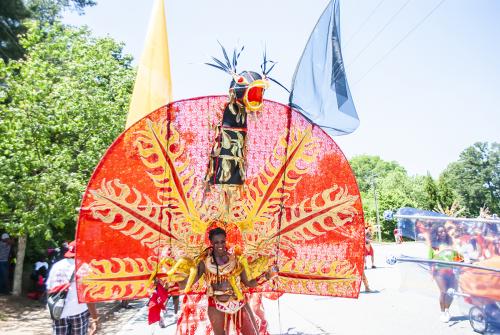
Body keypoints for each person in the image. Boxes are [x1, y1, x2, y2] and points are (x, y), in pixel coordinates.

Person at [179, 227, 277, 335]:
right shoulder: (204, 263)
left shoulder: (236, 260)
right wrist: (170, 283)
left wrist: (267, 276)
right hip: (216, 305)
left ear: (225, 240)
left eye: (222, 241)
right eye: (216, 242)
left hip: (238, 302)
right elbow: (187, 283)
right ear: (211, 242)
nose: (220, 245)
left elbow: (249, 283)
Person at [46, 241, 99, 335]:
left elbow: (49, 290)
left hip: (59, 312)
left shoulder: (56, 266)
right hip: (78, 313)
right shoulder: (84, 268)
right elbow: (88, 297)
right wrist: (95, 318)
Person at [428, 224, 463, 323]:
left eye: (444, 231)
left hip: (451, 272)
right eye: (440, 232)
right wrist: (431, 273)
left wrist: (462, 262)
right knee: (444, 291)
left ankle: (447, 310)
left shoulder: (450, 244)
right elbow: (429, 261)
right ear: (436, 234)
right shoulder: (434, 246)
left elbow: (457, 257)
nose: (443, 233)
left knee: (451, 292)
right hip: (439, 272)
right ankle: (442, 312)